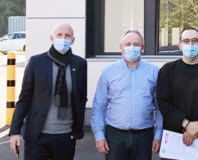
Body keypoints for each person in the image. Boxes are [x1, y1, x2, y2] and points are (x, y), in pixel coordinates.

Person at [9, 23, 87, 160]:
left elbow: (81, 98)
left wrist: (77, 129)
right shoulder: (37, 62)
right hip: (37, 136)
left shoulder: (79, 64)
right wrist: (15, 131)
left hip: (65, 136)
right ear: (52, 38)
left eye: (67, 35)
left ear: (73, 40)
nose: (63, 38)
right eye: (59, 35)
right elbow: (24, 98)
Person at [91, 29, 162, 159]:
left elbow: (159, 107)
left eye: (136, 44)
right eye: (128, 44)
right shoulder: (108, 72)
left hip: (144, 136)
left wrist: (158, 135)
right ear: (121, 47)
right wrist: (99, 135)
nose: (132, 47)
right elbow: (99, 106)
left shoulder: (154, 72)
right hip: (115, 136)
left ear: (142, 48)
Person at [156, 27, 198, 160]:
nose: (190, 44)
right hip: (175, 138)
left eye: (194, 41)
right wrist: (186, 124)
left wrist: (196, 128)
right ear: (180, 45)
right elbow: (163, 103)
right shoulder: (167, 70)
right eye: (186, 41)